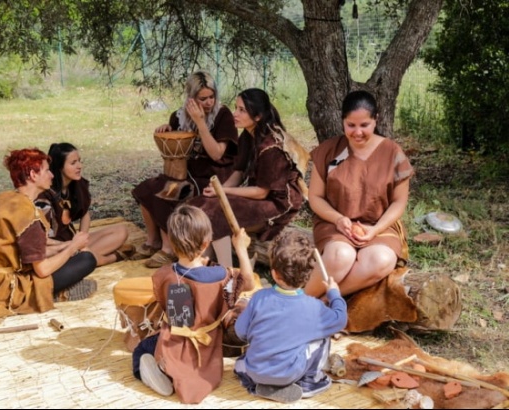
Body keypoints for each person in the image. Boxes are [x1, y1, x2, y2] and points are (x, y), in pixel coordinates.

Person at [131, 204, 255, 404]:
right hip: (208, 344)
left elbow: (173, 305)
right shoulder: (222, 275)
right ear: (206, 244)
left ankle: (159, 372)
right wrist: (241, 250)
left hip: (175, 343)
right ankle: (173, 373)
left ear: (171, 240)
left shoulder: (165, 275)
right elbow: (247, 282)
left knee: (141, 349)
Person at [0, 148, 98, 326]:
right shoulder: (28, 215)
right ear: (33, 175)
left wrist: (65, 247)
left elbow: (23, 248)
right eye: (47, 170)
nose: (51, 175)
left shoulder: (3, 198)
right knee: (87, 259)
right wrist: (73, 247)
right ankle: (47, 295)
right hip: (5, 288)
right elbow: (42, 269)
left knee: (73, 253)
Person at [305, 90, 414, 298]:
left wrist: (375, 230)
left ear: (376, 120)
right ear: (342, 121)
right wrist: (338, 220)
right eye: (351, 125)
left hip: (378, 226)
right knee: (341, 256)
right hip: (334, 224)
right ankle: (304, 300)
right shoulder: (329, 151)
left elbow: (399, 202)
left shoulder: (393, 153)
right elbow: (315, 197)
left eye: (364, 125)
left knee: (381, 260)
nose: (357, 132)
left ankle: (324, 302)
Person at [188, 88, 308, 267]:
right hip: (260, 196)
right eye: (236, 108)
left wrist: (223, 191)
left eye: (242, 110)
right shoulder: (247, 136)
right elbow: (239, 172)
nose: (235, 114)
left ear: (258, 116)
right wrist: (217, 193)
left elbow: (262, 192)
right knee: (200, 203)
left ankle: (226, 272)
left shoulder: (270, 146)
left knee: (216, 215)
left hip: (278, 204)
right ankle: (204, 266)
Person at [131, 70, 239, 269]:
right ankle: (153, 240)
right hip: (186, 172)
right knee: (147, 188)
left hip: (213, 175)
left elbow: (217, 154)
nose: (208, 102)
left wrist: (200, 122)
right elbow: (175, 152)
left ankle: (169, 248)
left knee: (168, 192)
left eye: (211, 97)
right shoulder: (179, 117)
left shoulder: (222, 115)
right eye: (202, 98)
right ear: (191, 98)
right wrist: (167, 132)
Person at [232, 230, 347, 403]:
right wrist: (334, 295)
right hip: (288, 373)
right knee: (323, 336)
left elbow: (241, 332)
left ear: (273, 273)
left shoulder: (258, 298)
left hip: (256, 370)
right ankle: (310, 382)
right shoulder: (315, 308)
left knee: (245, 359)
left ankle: (252, 379)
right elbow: (340, 319)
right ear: (307, 276)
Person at [36, 142, 130, 267]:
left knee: (121, 231)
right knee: (84, 254)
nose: (79, 166)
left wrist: (82, 239)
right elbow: (41, 239)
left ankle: (82, 257)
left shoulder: (77, 184)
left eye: (79, 161)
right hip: (55, 249)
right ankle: (111, 258)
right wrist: (67, 246)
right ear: (59, 167)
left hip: (72, 242)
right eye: (73, 163)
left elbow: (85, 213)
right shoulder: (45, 195)